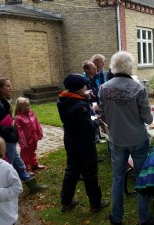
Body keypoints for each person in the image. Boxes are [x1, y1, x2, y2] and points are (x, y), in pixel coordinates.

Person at [98, 51, 153, 225]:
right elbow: (148, 119)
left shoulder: (104, 88)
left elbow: (102, 114)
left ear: (113, 66)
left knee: (117, 178)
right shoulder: (138, 88)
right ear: (130, 67)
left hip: (116, 139)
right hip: (137, 139)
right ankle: (144, 218)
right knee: (141, 177)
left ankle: (116, 217)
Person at [0, 77, 47, 194]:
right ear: (0, 88)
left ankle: (32, 185)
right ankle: (3, 192)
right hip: (5, 141)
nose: (11, 88)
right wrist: (10, 131)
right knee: (7, 167)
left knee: (19, 163)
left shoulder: (1, 100)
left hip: (9, 140)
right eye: (7, 86)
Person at [57, 74, 109, 213]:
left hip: (70, 139)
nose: (86, 87)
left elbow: (75, 108)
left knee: (72, 170)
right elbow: (87, 126)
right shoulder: (80, 107)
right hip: (84, 143)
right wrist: (97, 121)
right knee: (90, 173)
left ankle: (66, 201)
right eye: (84, 86)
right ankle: (96, 204)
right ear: (79, 88)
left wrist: (84, 97)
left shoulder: (63, 99)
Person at [14, 97, 44, 171]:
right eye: (26, 106)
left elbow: (37, 123)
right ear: (21, 107)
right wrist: (23, 143)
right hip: (26, 140)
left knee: (32, 152)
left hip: (34, 138)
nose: (28, 107)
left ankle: (34, 164)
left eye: (29, 105)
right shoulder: (18, 118)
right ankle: (27, 168)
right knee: (25, 155)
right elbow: (19, 131)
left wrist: (40, 132)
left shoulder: (32, 113)